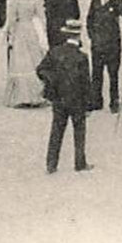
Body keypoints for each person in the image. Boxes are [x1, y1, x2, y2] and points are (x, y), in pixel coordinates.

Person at [36, 18, 92, 174]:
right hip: (77, 100)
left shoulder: (55, 52)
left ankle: (51, 164)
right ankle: (79, 163)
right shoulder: (82, 57)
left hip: (59, 98)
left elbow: (40, 69)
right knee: (79, 131)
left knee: (56, 130)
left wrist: (51, 81)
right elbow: (86, 83)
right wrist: (88, 105)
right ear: (78, 36)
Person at [85, 0, 122, 113]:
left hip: (112, 44)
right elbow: (89, 19)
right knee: (97, 74)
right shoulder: (95, 0)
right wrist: (92, 36)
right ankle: (96, 100)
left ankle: (114, 101)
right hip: (98, 44)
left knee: (113, 74)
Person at [4, 0, 49, 107]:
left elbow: (11, 18)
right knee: (34, 59)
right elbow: (42, 16)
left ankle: (20, 97)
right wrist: (43, 32)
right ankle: (35, 95)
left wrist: (8, 32)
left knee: (20, 61)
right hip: (31, 29)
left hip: (19, 28)